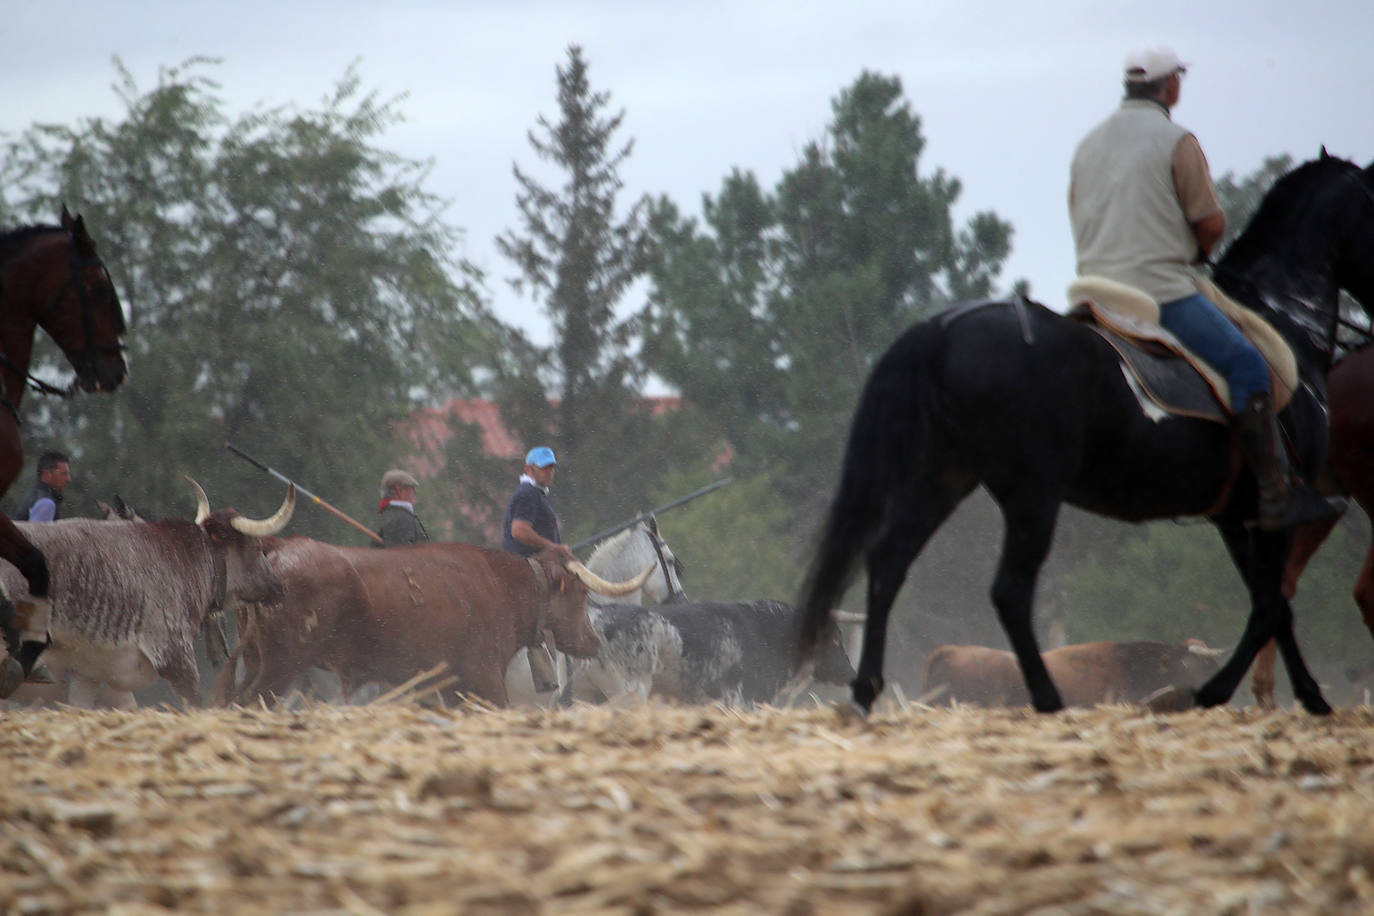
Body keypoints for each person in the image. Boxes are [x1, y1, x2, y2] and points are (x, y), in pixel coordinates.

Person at [1068, 46, 1340, 532]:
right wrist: (1193, 252)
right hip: (1160, 294)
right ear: (1170, 86)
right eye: (1180, 80)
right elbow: (1211, 224)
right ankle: (1274, 494)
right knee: (1248, 364)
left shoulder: (1088, 144)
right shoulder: (1177, 140)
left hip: (1093, 292)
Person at [501, 446, 573, 692]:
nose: (549, 472)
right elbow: (519, 531)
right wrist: (554, 547)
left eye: (552, 467)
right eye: (544, 467)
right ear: (528, 469)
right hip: (527, 570)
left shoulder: (536, 494)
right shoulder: (528, 494)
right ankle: (546, 676)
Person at [374, 469, 430, 547]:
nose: (415, 492)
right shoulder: (400, 519)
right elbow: (401, 556)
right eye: (412, 487)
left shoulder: (389, 515)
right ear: (399, 490)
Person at [18, 451, 72, 522]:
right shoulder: (46, 503)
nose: (69, 479)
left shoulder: (35, 496)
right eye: (64, 474)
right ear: (47, 474)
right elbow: (36, 532)